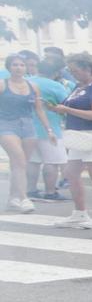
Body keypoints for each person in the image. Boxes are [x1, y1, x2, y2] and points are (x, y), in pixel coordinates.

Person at [53, 57, 92, 228]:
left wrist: (67, 109)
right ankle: (79, 212)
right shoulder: (78, 87)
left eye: (76, 71)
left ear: (88, 69)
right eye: (71, 71)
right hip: (79, 134)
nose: (74, 74)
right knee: (71, 172)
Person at [1, 52, 44, 212]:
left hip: (27, 126)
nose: (18, 68)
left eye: (21, 65)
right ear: (9, 67)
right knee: (19, 160)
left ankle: (13, 197)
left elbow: (39, 110)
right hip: (6, 125)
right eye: (15, 64)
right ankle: (24, 198)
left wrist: (48, 129)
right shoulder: (2, 84)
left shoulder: (33, 86)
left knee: (19, 164)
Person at [27, 53, 68, 202]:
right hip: (50, 128)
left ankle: (30, 189)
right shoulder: (55, 85)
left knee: (33, 161)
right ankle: (50, 192)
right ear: (56, 73)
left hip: (27, 129)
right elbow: (67, 102)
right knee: (52, 161)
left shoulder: (26, 82)